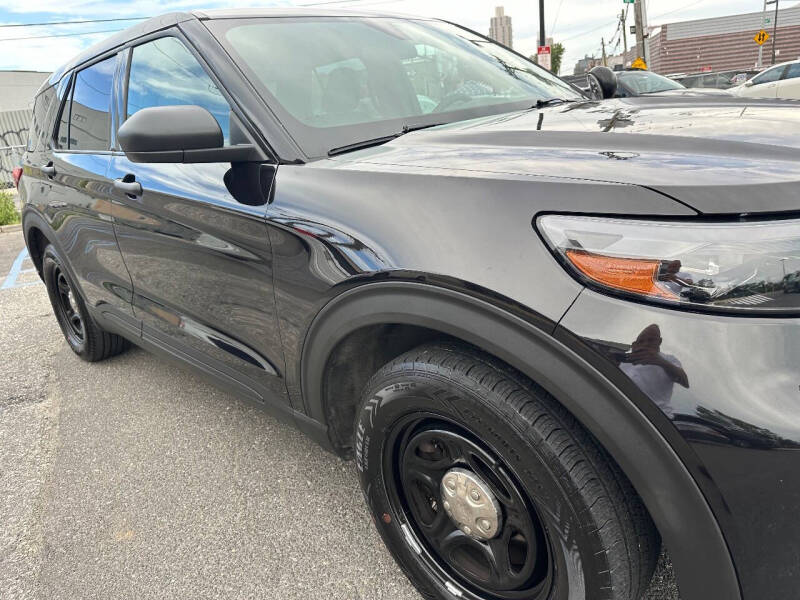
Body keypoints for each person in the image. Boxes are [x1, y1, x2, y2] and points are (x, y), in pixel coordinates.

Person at [618, 324, 689, 418]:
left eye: (651, 340)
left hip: (655, 419)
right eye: (641, 341)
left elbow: (684, 382)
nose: (645, 344)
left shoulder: (669, 359)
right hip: (624, 413)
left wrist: (660, 362)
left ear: (659, 341)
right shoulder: (625, 362)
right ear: (634, 344)